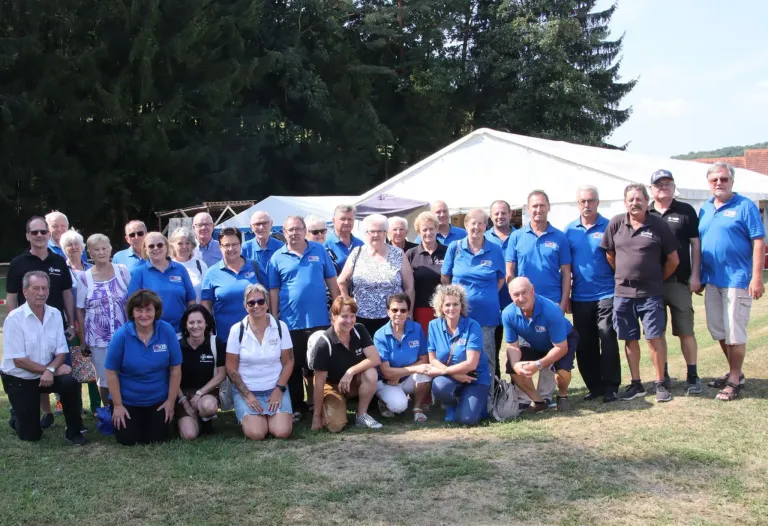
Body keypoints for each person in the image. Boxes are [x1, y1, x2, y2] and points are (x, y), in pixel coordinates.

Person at [601, 183, 680, 403]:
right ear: (625, 202)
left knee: (655, 338)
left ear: (647, 202)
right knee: (629, 339)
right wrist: (625, 273)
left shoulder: (659, 225)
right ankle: (636, 384)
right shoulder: (617, 223)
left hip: (651, 294)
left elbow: (673, 260)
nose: (635, 203)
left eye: (639, 199)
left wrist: (657, 278)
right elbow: (610, 254)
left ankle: (661, 382)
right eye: (630, 199)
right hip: (623, 294)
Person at [698, 162, 766, 401]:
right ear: (709, 182)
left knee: (735, 332)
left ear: (732, 181)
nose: (719, 183)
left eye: (724, 179)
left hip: (737, 280)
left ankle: (734, 379)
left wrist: (757, 277)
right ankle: (735, 373)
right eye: (715, 179)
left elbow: (758, 241)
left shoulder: (745, 206)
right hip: (712, 281)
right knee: (719, 331)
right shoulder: (705, 208)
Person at [1, 271, 87, 445]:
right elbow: (19, 360)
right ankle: (17, 415)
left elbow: (61, 352)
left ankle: (74, 431)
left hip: (47, 373)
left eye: (44, 288)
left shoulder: (55, 314)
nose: (41, 292)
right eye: (35, 288)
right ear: (25, 292)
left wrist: (51, 369)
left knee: (70, 382)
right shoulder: (14, 319)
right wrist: (49, 370)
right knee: (31, 435)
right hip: (20, 377)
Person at [6, 216, 76, 428]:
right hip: (28, 325)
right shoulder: (18, 263)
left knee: (63, 372)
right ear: (28, 235)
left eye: (42, 232)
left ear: (48, 234)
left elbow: (66, 294)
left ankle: (72, 417)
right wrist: (17, 325)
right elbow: (11, 297)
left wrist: (71, 323)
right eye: (34, 232)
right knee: (34, 370)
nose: (39, 235)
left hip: (55, 323)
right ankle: (35, 412)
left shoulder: (58, 261)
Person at [268, 216, 340, 420]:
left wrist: (338, 310)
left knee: (319, 365)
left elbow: (332, 282)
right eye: (290, 229)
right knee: (292, 365)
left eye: (298, 229)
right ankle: (298, 406)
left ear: (304, 230)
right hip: (291, 322)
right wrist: (274, 318)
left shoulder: (319, 251)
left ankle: (321, 403)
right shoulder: (277, 258)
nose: (294, 233)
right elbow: (273, 290)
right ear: (284, 232)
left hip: (319, 320)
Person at [648, 169, 703, 394]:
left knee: (686, 330)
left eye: (668, 183)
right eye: (659, 184)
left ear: (673, 187)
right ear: (651, 189)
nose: (663, 187)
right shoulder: (645, 211)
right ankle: (664, 376)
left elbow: (695, 245)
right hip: (652, 284)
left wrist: (696, 275)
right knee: (656, 332)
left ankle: (692, 375)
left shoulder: (686, 210)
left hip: (679, 281)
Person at [564, 186, 621, 402]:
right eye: (582, 201)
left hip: (607, 293)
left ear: (598, 202)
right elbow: (566, 267)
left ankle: (611, 386)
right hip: (580, 296)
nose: (587, 205)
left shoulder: (609, 226)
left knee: (607, 336)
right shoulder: (570, 231)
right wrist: (567, 294)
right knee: (585, 343)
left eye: (591, 201)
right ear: (577, 203)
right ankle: (594, 386)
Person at [106, 290, 182, 446]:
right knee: (127, 439)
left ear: (156, 311)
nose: (144, 315)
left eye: (148, 310)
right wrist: (118, 405)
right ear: (132, 312)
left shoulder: (166, 331)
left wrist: (170, 401)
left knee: (157, 439)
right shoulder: (121, 335)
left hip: (158, 400)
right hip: (128, 401)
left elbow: (175, 369)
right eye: (139, 310)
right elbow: (111, 372)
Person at [441, 209, 505, 384]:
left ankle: (489, 399)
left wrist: (486, 294)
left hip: (487, 315)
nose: (476, 227)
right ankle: (461, 397)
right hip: (459, 316)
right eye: (472, 223)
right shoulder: (455, 247)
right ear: (466, 225)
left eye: (480, 223)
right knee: (459, 356)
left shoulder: (495, 249)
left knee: (487, 358)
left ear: (486, 226)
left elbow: (501, 278)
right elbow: (446, 278)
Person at [226, 285, 294, 440]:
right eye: (251, 303)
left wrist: (278, 390)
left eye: (260, 301)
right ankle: (252, 417)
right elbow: (231, 368)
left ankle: (272, 417)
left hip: (274, 388)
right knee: (257, 434)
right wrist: (248, 396)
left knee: (282, 432)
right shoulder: (237, 330)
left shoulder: (280, 327)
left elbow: (289, 362)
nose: (256, 306)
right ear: (245, 306)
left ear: (267, 304)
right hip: (247, 390)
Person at [503, 277, 579, 412]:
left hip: (562, 340)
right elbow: (513, 346)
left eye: (524, 292)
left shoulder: (551, 310)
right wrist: (515, 364)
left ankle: (563, 395)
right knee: (511, 367)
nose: (521, 298)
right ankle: (539, 401)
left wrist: (538, 364)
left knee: (561, 372)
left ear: (532, 290)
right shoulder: (508, 313)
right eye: (516, 295)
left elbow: (561, 348)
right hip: (534, 341)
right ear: (510, 295)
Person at [311, 297, 383, 432]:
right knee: (335, 426)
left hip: (352, 380)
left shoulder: (359, 329)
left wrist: (350, 372)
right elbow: (319, 383)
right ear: (333, 316)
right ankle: (332, 406)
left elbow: (375, 358)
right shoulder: (324, 343)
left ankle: (362, 415)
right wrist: (316, 416)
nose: (349, 321)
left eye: (352, 316)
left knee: (371, 372)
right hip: (331, 384)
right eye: (344, 316)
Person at [338, 214, 415, 336]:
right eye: (371, 231)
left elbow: (409, 287)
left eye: (380, 231)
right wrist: (348, 304)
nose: (375, 235)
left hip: (392, 318)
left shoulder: (398, 254)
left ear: (385, 233)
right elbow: (341, 281)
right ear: (365, 233)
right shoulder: (357, 253)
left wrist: (408, 314)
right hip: (361, 319)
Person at [76, 233, 132, 404]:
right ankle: (109, 413)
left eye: (104, 248)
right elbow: (79, 310)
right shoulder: (84, 278)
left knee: (126, 374)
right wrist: (83, 339)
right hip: (98, 339)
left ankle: (128, 409)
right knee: (105, 378)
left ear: (110, 250)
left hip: (124, 335)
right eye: (96, 250)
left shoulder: (122, 270)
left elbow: (132, 301)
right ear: (90, 254)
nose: (101, 252)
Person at [425, 284, 491, 426]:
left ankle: (480, 404)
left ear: (462, 306)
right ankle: (451, 404)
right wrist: (453, 374)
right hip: (451, 378)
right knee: (440, 385)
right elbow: (432, 358)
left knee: (467, 420)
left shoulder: (473, 326)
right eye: (447, 304)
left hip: (474, 377)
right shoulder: (433, 325)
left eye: (456, 304)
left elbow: (471, 364)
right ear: (441, 307)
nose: (451, 308)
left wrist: (443, 371)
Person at [506, 190, 572, 312]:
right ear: (528, 209)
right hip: (524, 302)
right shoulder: (516, 237)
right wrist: (516, 298)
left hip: (552, 301)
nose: (538, 209)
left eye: (542, 205)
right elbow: (510, 271)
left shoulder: (560, 237)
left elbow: (566, 273)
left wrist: (563, 303)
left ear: (548, 207)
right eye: (534, 206)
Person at [59, 228, 101, 414]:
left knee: (93, 364)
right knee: (73, 366)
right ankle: (74, 407)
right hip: (69, 325)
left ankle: (95, 407)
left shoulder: (92, 269)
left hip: (91, 324)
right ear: (63, 249)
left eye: (76, 243)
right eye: (69, 244)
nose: (74, 247)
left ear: (83, 247)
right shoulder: (61, 270)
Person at [373, 293, 431, 422]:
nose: (399, 313)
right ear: (388, 312)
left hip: (405, 378)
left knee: (426, 372)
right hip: (388, 382)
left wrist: (401, 373)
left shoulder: (417, 328)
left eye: (403, 310)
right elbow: (386, 371)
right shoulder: (380, 335)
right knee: (399, 407)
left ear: (408, 312)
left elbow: (424, 359)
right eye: (394, 310)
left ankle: (417, 408)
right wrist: (409, 370)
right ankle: (383, 401)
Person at [201, 227, 267, 339]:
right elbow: (206, 305)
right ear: (220, 247)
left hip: (257, 336)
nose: (231, 248)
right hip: (225, 337)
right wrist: (208, 328)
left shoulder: (255, 266)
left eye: (235, 244)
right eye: (226, 245)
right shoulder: (211, 273)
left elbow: (268, 295)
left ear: (241, 245)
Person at [127, 232, 196, 335]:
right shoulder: (138, 273)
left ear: (166, 247)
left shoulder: (180, 269)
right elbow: (132, 306)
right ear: (145, 249)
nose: (156, 248)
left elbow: (191, 301)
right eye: (151, 246)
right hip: (151, 333)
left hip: (180, 332)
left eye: (159, 245)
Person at [176, 305, 226, 440]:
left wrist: (199, 393)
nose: (195, 326)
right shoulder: (178, 346)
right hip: (182, 396)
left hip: (206, 393)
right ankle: (190, 420)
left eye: (199, 322)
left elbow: (221, 374)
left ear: (206, 323)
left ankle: (206, 419)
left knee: (208, 407)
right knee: (189, 435)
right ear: (185, 325)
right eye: (191, 322)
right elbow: (173, 378)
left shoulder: (215, 343)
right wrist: (185, 403)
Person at [406, 211, 448, 334]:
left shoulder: (448, 252)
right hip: (420, 309)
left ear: (437, 229)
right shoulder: (410, 254)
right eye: (424, 230)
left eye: (431, 229)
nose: (428, 233)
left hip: (445, 309)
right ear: (419, 232)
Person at [485, 200, 516, 355]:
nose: (500, 216)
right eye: (496, 213)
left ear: (511, 214)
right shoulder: (483, 239)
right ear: (490, 216)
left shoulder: (521, 236)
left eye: (504, 212)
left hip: (517, 303)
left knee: (519, 350)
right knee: (492, 349)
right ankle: (495, 380)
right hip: (492, 304)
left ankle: (517, 380)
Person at [169, 226, 208, 302]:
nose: (184, 247)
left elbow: (207, 294)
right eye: (180, 243)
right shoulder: (168, 266)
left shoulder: (200, 265)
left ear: (192, 245)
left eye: (187, 243)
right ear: (173, 246)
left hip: (197, 312)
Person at [324, 204, 364, 274]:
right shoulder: (325, 245)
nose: (346, 222)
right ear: (333, 221)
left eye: (350, 219)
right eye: (342, 219)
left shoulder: (361, 245)